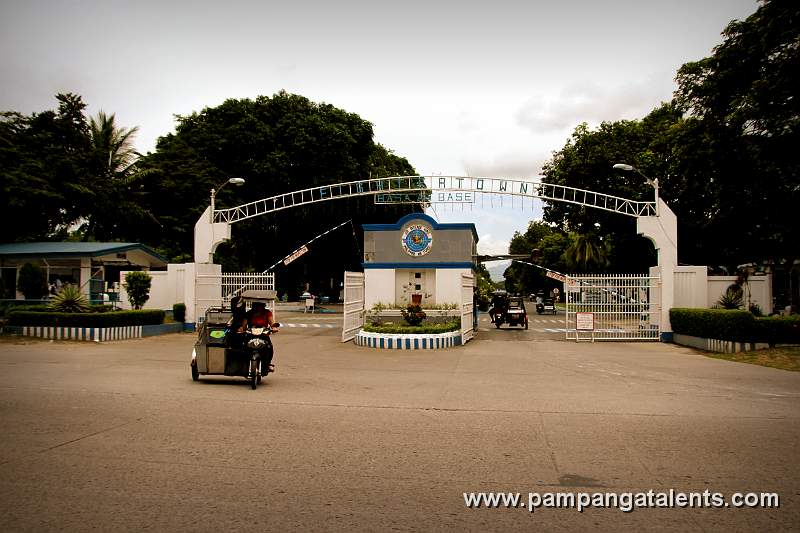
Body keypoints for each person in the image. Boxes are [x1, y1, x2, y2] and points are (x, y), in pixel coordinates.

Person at [239, 301, 278, 374]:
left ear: (263, 305)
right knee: (244, 346)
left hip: (263, 334)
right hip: (251, 334)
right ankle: (243, 363)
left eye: (259, 305)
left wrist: (274, 328)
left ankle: (268, 363)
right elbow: (244, 325)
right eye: (256, 305)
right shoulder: (249, 313)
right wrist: (242, 329)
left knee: (269, 347)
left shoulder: (267, 313)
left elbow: (272, 323)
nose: (258, 307)